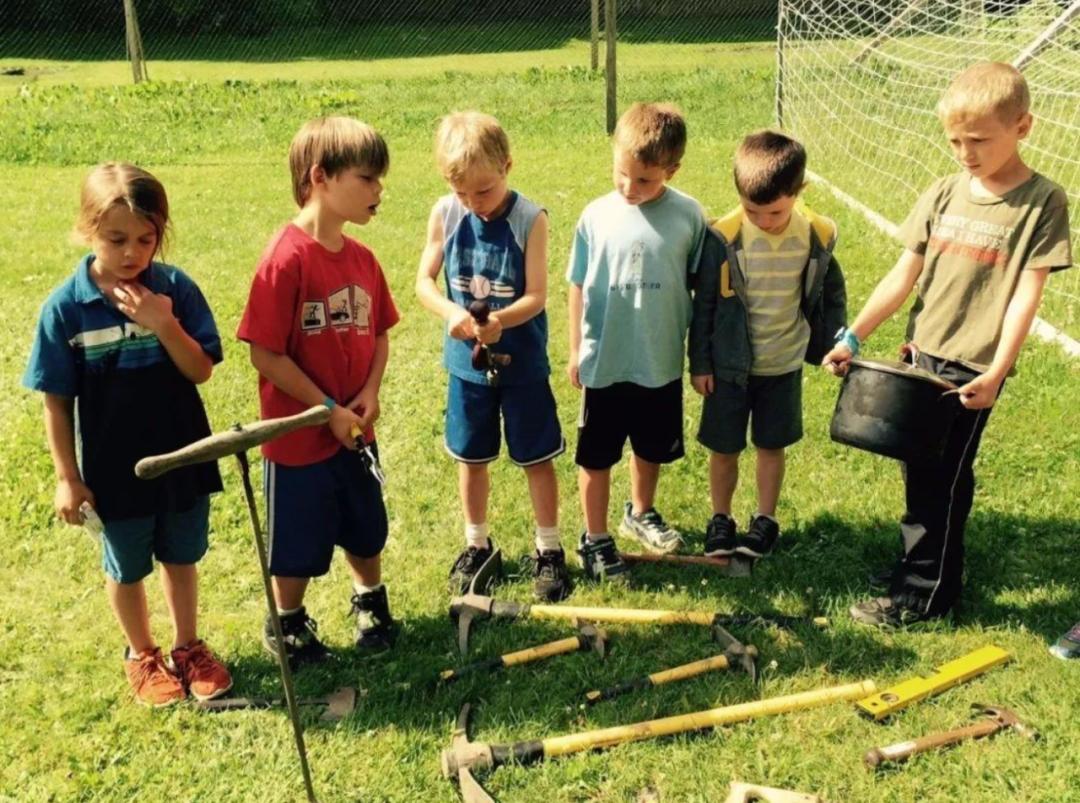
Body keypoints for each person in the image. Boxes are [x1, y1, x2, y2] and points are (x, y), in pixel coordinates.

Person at [822, 62, 1072, 626]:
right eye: (955, 139)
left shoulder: (1042, 203)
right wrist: (854, 334)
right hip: (922, 355)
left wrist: (997, 370)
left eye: (979, 139)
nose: (965, 152)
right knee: (921, 470)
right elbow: (901, 275)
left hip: (972, 370)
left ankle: (925, 595)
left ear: (1023, 127)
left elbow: (1024, 299)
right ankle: (922, 565)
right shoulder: (942, 192)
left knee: (943, 478)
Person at [23, 162, 231, 706]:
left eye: (146, 238)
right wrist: (67, 478)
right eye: (116, 239)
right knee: (127, 563)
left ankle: (188, 646)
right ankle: (142, 654)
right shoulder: (66, 308)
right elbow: (56, 401)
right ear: (87, 229)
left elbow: (200, 369)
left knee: (181, 554)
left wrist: (164, 323)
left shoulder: (174, 289)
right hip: (115, 469)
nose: (133, 253)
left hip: (183, 453)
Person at [237, 116, 399, 660]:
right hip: (299, 438)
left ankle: (370, 600)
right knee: (297, 543)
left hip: (354, 430)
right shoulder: (285, 259)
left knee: (364, 525)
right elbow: (264, 351)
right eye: (367, 178)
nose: (379, 190)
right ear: (320, 178)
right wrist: (324, 408)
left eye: (380, 179)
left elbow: (378, 333)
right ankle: (287, 621)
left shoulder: (363, 260)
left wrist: (370, 393)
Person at [416, 112, 569, 601]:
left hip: (522, 364)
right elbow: (423, 282)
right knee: (472, 455)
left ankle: (549, 549)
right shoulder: (446, 213)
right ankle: (477, 544)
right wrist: (449, 312)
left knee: (536, 455)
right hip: (467, 368)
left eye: (482, 191)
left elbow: (539, 294)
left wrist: (502, 321)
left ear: (508, 165)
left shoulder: (531, 218)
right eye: (461, 192)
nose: (473, 203)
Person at [689, 130, 846, 559]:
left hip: (784, 363)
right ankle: (720, 518)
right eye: (751, 210)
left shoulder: (818, 235)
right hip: (728, 367)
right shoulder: (722, 237)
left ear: (800, 192)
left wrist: (837, 344)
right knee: (725, 447)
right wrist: (700, 364)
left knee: (770, 444)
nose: (762, 220)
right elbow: (703, 305)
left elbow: (831, 297)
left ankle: (765, 519)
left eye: (774, 212)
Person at [567, 102, 707, 578]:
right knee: (597, 454)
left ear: (673, 169)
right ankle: (595, 537)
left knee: (651, 448)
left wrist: (699, 355)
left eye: (644, 180)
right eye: (621, 174)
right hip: (605, 362)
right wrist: (574, 349)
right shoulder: (594, 216)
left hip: (660, 361)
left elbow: (699, 288)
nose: (630, 187)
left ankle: (640, 512)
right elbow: (578, 284)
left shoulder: (690, 216)